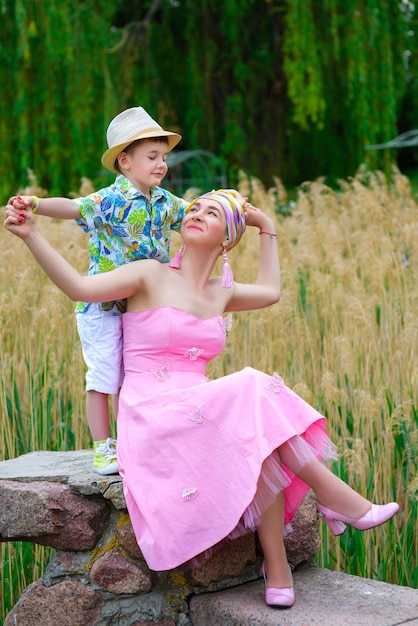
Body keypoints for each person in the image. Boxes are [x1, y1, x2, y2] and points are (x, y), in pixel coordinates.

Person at [4, 189, 399, 610]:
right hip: (151, 413)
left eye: (211, 213)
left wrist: (267, 228)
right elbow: (80, 288)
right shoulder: (149, 274)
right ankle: (337, 500)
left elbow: (271, 291)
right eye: (193, 208)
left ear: (227, 238)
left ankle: (279, 568)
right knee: (251, 385)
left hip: (197, 406)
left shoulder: (221, 292)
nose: (195, 214)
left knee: (257, 435)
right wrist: (31, 235)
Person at [7, 106, 188, 475]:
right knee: (105, 375)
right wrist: (37, 204)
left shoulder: (165, 203)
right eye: (152, 156)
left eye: (164, 157)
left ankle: (131, 442)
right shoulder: (109, 200)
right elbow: (73, 208)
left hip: (141, 306)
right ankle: (103, 446)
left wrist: (237, 211)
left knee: (134, 375)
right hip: (104, 305)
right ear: (125, 161)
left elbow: (197, 213)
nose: (161, 164)